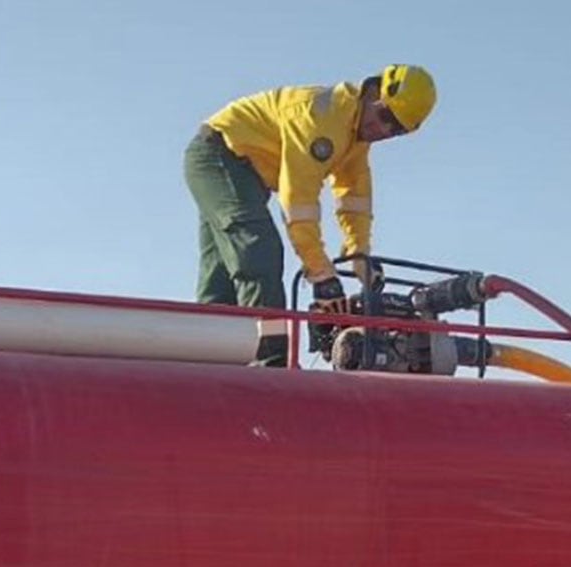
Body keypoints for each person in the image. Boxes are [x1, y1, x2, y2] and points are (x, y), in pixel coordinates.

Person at [185, 65, 437, 365]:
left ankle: (206, 357)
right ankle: (273, 362)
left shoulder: (355, 139)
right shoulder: (321, 118)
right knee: (259, 250)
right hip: (221, 155)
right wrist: (321, 273)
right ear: (374, 91)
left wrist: (358, 253)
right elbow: (299, 201)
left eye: (397, 129)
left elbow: (354, 197)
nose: (384, 131)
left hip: (243, 174)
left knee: (221, 274)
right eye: (385, 116)